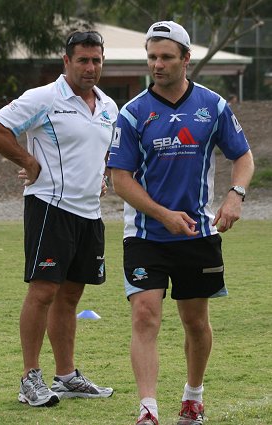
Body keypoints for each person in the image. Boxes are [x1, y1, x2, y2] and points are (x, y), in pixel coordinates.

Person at [108, 20, 254, 425]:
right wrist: (163, 215)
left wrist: (235, 195)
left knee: (195, 321)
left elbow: (242, 157)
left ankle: (193, 397)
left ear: (186, 59)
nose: (157, 64)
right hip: (145, 235)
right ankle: (148, 409)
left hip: (197, 234)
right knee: (144, 314)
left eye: (166, 57)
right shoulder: (132, 113)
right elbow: (120, 179)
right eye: (152, 57)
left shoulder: (214, 106)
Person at [0, 30, 118, 407]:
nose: (91, 67)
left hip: (89, 214)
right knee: (43, 292)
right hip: (50, 208)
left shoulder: (109, 106)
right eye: (83, 60)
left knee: (71, 296)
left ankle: (66, 376)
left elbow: (103, 149)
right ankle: (30, 378)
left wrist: (102, 176)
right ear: (67, 61)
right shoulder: (43, 98)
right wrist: (27, 161)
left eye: (97, 60)